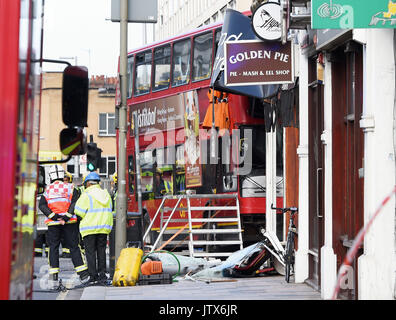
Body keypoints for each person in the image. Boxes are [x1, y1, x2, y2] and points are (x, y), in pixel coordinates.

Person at [38, 164, 88, 282]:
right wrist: (65, 217)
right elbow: (75, 203)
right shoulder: (71, 187)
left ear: (50, 176)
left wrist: (54, 217)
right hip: (69, 223)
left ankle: (54, 274)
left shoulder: (47, 190)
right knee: (74, 247)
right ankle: (82, 273)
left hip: (53, 224)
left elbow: (42, 206)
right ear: (62, 175)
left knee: (53, 247)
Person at [74, 172, 113, 283]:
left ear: (88, 184)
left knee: (90, 252)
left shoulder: (86, 194)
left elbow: (79, 212)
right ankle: (102, 275)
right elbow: (110, 208)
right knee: (101, 251)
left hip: (89, 228)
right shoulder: (106, 194)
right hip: (103, 228)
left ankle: (93, 277)